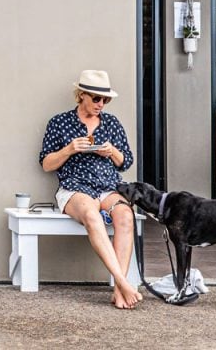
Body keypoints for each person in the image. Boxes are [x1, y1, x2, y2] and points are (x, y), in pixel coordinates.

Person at [40, 70, 142, 310]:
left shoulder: (112, 124)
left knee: (126, 216)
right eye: (96, 99)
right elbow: (46, 164)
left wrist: (111, 151)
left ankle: (119, 292)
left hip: (107, 187)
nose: (101, 104)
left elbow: (125, 162)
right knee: (91, 216)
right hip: (75, 187)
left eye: (105, 100)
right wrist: (70, 149)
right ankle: (123, 283)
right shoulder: (59, 122)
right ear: (81, 95)